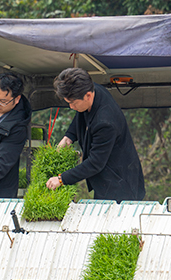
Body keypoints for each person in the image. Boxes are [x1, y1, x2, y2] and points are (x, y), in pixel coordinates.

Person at [46, 67, 145, 202]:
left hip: (120, 185)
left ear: (88, 95)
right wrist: (68, 137)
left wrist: (61, 179)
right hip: (106, 179)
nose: (71, 107)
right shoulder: (93, 90)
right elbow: (81, 113)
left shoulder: (106, 122)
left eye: (73, 103)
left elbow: (95, 163)